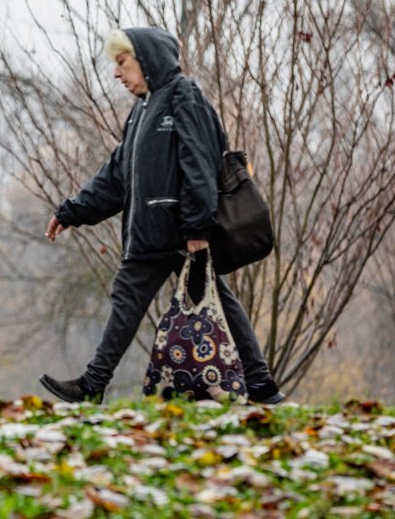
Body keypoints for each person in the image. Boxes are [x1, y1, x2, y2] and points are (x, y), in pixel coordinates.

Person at [39, 27, 285, 406]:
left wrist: (197, 230)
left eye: (122, 63)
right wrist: (71, 211)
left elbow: (199, 164)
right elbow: (116, 176)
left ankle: (260, 384)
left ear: (146, 59)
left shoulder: (184, 96)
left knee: (217, 301)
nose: (117, 74)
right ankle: (93, 383)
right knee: (130, 300)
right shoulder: (141, 111)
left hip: (183, 233)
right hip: (149, 235)